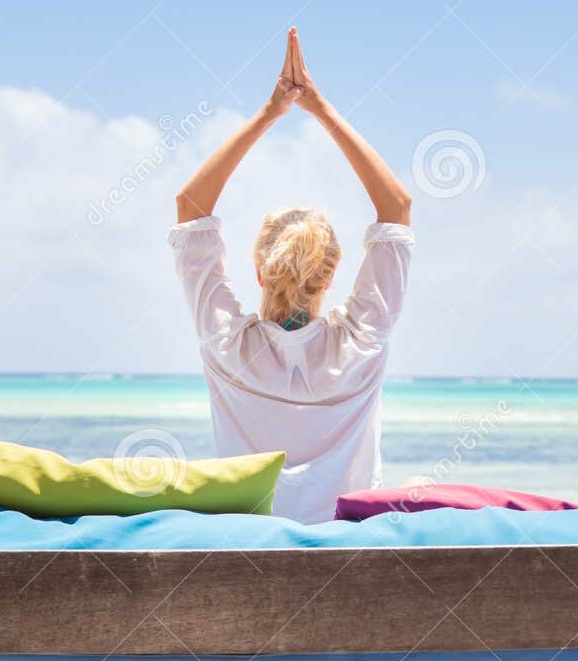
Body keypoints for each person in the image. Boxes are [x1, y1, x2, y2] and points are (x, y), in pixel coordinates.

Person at [170, 28, 414, 523]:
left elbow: (189, 207)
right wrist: (319, 109)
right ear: (330, 276)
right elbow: (397, 207)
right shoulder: (361, 343)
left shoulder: (228, 346)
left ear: (259, 272)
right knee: (416, 488)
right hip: (349, 553)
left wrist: (270, 113)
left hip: (253, 552)